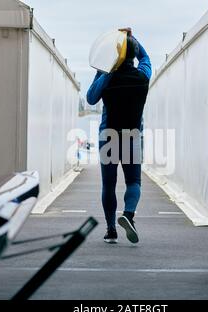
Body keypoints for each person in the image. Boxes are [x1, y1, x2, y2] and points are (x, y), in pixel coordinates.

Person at [87, 28, 152, 244]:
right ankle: (129, 214)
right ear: (132, 55)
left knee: (109, 185)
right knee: (133, 181)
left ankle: (111, 229)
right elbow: (146, 57)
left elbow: (90, 98)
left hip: (108, 136)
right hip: (132, 135)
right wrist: (132, 38)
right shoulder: (142, 76)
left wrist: (104, 68)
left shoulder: (108, 77)